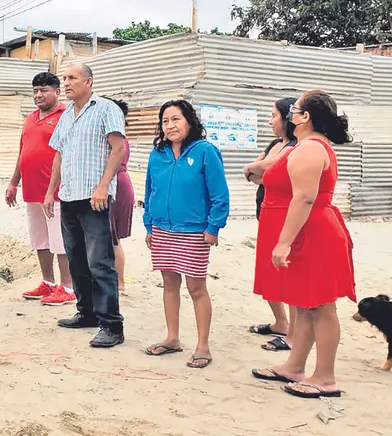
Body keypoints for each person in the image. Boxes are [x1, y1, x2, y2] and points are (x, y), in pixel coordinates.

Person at [251, 90, 356, 399]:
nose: (289, 115)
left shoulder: (310, 148)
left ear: (305, 117)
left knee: (322, 307)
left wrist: (283, 243)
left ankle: (325, 376)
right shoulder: (306, 146)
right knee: (305, 305)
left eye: (294, 110)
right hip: (307, 233)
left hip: (313, 235)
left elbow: (305, 197)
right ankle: (295, 366)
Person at [142, 100, 230, 369]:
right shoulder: (157, 154)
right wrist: (149, 226)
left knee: (196, 288)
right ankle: (172, 338)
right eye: (165, 121)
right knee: (169, 284)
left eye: (176, 119)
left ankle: (203, 345)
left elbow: (219, 195)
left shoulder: (205, 151)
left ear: (189, 121)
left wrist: (213, 227)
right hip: (162, 229)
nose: (170, 125)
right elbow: (149, 191)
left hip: (194, 232)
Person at [44, 63, 127, 348]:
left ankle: (112, 325)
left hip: (95, 197)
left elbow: (118, 148)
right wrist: (50, 190)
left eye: (72, 78)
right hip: (68, 197)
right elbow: (59, 156)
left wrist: (104, 186)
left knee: (99, 262)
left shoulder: (105, 109)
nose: (66, 83)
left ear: (88, 82)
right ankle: (86, 313)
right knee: (77, 259)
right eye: (64, 78)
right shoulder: (66, 114)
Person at [7, 72, 75, 306]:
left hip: (56, 191)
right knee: (40, 240)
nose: (39, 95)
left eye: (44, 90)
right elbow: (23, 152)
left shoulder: (67, 115)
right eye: (36, 90)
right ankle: (47, 282)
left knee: (60, 240)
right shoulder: (30, 118)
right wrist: (13, 182)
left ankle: (67, 286)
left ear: (57, 91)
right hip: (32, 189)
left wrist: (53, 188)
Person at [243, 98, 298, 352]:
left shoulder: (297, 146)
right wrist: (259, 170)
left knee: (288, 275)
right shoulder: (276, 144)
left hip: (286, 217)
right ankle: (280, 322)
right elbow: (257, 175)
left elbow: (266, 167)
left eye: (273, 115)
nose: (270, 120)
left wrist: (258, 169)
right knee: (267, 273)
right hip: (265, 212)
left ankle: (293, 334)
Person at [105, 97, 133, 294]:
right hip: (122, 183)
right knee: (113, 239)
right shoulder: (121, 137)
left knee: (112, 239)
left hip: (116, 185)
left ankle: (119, 283)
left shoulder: (116, 139)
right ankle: (118, 283)